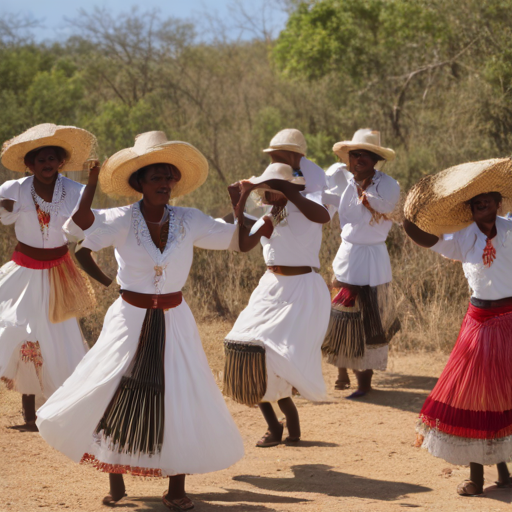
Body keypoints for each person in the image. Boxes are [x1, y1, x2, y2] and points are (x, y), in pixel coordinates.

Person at [36, 132, 245, 511]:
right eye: (156, 178)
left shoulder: (189, 219)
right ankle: (115, 479)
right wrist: (94, 183)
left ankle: (176, 488)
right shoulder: (119, 219)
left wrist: (242, 205)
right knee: (112, 387)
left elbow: (238, 241)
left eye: (169, 177)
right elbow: (81, 228)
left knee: (180, 393)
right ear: (139, 184)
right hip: (129, 318)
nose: (164, 184)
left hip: (175, 318)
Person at [403, 157, 512, 496]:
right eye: (477, 204)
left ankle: (505, 470)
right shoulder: (462, 237)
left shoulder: (510, 229)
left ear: (497, 202)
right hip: (478, 324)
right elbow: (424, 238)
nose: (484, 207)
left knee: (504, 395)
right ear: (471, 209)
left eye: (488, 201)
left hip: (509, 319)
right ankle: (477, 478)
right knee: (476, 396)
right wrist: (409, 215)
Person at [223, 153, 331, 447]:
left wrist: (291, 193)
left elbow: (323, 216)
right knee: (246, 347)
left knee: (279, 355)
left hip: (303, 289)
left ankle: (287, 425)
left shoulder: (309, 211)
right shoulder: (270, 217)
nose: (269, 194)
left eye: (274, 187)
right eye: (267, 189)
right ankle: (275, 424)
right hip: (270, 288)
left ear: (289, 189)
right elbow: (245, 244)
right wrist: (242, 200)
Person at [0, 123, 96, 431]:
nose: (46, 164)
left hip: (58, 272)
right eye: (40, 159)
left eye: (52, 158)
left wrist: (93, 183)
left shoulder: (76, 191)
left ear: (61, 162)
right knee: (20, 333)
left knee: (58, 339)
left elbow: (83, 223)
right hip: (23, 271)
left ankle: (58, 410)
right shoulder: (12, 190)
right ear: (29, 164)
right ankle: (29, 415)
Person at [321, 129, 401, 397]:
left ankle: (364, 384)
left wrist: (360, 188)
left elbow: (385, 206)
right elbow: (326, 201)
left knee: (369, 316)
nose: (357, 160)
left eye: (363, 155)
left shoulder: (388, 184)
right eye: (353, 155)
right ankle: (342, 368)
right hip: (348, 254)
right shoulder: (343, 181)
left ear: (375, 159)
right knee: (343, 311)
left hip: (373, 257)